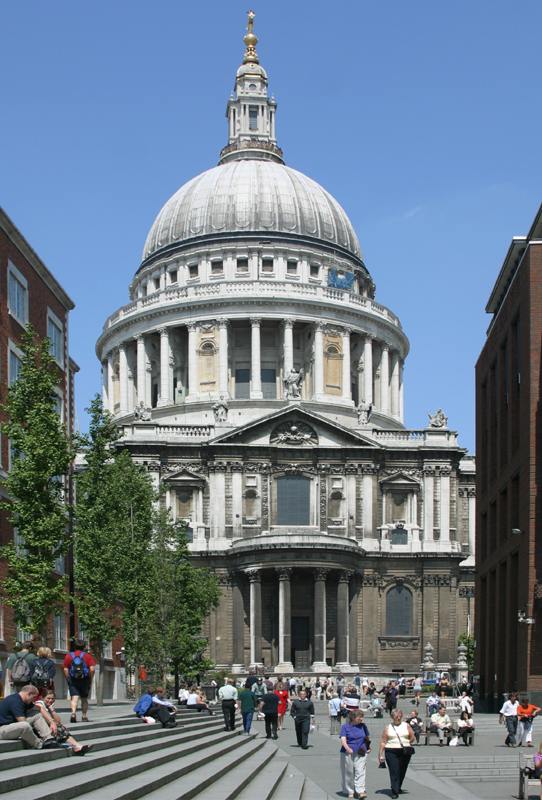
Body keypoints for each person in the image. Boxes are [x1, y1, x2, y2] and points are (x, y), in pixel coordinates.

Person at [35, 690, 92, 754]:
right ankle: (76, 746)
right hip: (39, 730)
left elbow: (58, 721)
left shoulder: (48, 706)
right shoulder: (39, 703)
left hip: (47, 729)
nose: (50, 700)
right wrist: (52, 722)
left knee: (59, 727)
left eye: (52, 699)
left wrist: (52, 710)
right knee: (59, 728)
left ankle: (76, 746)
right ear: (42, 698)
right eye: (48, 698)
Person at [378, 708, 416, 799]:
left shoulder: (406, 725)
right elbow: (383, 741)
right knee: (394, 770)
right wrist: (380, 754)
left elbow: (412, 737)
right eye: (396, 717)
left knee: (402, 770)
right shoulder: (388, 727)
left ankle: (398, 787)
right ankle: (394, 791)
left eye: (399, 716)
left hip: (404, 751)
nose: (398, 718)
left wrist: (407, 743)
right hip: (391, 750)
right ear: (392, 717)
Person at [339, 709, 370, 799]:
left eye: (362, 717)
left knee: (360, 771)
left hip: (361, 751)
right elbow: (343, 739)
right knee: (348, 772)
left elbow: (367, 737)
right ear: (353, 718)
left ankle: (360, 791)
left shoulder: (363, 726)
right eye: (360, 717)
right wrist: (347, 748)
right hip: (347, 753)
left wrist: (368, 747)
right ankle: (350, 790)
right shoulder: (345, 727)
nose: (362, 719)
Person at [63, 640, 96, 723]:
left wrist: (68, 678)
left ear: (74, 646)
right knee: (84, 698)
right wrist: (90, 679)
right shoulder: (88, 656)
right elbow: (92, 669)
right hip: (84, 679)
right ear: (84, 647)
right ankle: (84, 716)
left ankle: (73, 713)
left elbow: (65, 668)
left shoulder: (69, 656)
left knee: (74, 697)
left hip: (73, 679)